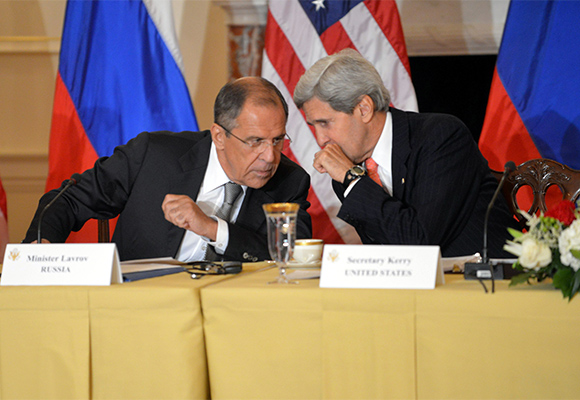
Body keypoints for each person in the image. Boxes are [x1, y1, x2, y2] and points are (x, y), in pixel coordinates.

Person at [24, 77, 312, 262]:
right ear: (219, 136)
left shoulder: (289, 181)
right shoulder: (152, 155)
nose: (269, 157)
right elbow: (69, 201)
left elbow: (293, 257)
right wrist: (41, 250)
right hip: (138, 310)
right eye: (255, 141)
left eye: (277, 140)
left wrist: (212, 228)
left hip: (235, 320)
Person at [293, 49, 519, 258]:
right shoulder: (350, 170)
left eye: (325, 123)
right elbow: (385, 251)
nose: (321, 139)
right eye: (314, 126)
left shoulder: (440, 137)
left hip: (489, 286)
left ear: (364, 109)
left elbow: (419, 243)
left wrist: (352, 180)